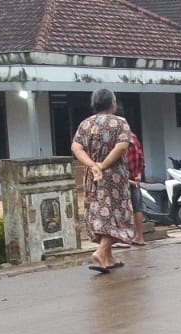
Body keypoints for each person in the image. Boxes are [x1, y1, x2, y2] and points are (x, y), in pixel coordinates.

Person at [71, 88, 133, 273]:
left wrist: (92, 166)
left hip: (93, 177)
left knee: (99, 213)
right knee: (116, 214)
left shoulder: (85, 124)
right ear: (113, 103)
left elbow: (76, 148)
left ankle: (108, 258)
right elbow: (121, 147)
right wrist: (103, 166)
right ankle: (100, 252)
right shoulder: (120, 122)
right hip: (114, 177)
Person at [118, 131, 146, 248]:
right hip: (135, 178)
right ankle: (140, 237)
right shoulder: (133, 136)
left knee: (121, 209)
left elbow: (117, 163)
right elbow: (141, 157)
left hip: (122, 180)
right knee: (137, 208)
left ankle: (123, 239)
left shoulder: (118, 139)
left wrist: (129, 181)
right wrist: (139, 175)